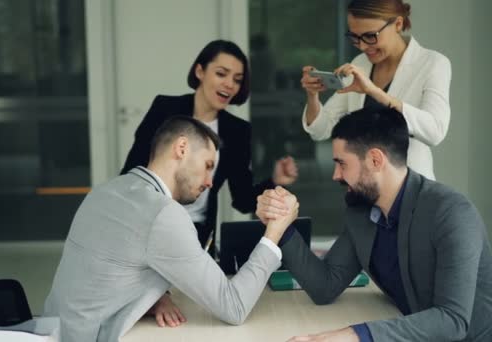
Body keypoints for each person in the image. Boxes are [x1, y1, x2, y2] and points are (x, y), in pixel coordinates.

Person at [44, 116, 300, 342]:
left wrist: (154, 295)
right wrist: (275, 232)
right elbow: (234, 307)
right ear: (181, 148)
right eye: (208, 166)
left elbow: (106, 273)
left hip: (53, 331)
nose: (211, 182)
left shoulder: (105, 191)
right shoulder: (163, 214)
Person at [257, 107, 492, 341]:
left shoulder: (451, 212)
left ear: (375, 160)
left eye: (342, 164)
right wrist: (281, 226)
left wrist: (354, 335)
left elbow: (452, 320)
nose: (336, 175)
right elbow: (325, 286)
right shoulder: (362, 212)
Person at [121, 39, 298, 250]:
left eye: (237, 79)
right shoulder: (165, 109)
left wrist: (276, 180)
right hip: (149, 228)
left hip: (197, 237)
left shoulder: (237, 131)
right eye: (221, 74)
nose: (230, 84)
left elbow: (242, 200)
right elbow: (131, 173)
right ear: (200, 71)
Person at [301, 0, 451, 180]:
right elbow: (320, 129)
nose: (363, 46)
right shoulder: (360, 63)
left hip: (410, 191)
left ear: (397, 24)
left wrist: (375, 92)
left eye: (370, 36)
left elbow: (435, 131)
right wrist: (312, 95)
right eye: (355, 37)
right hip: (362, 188)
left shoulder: (432, 63)